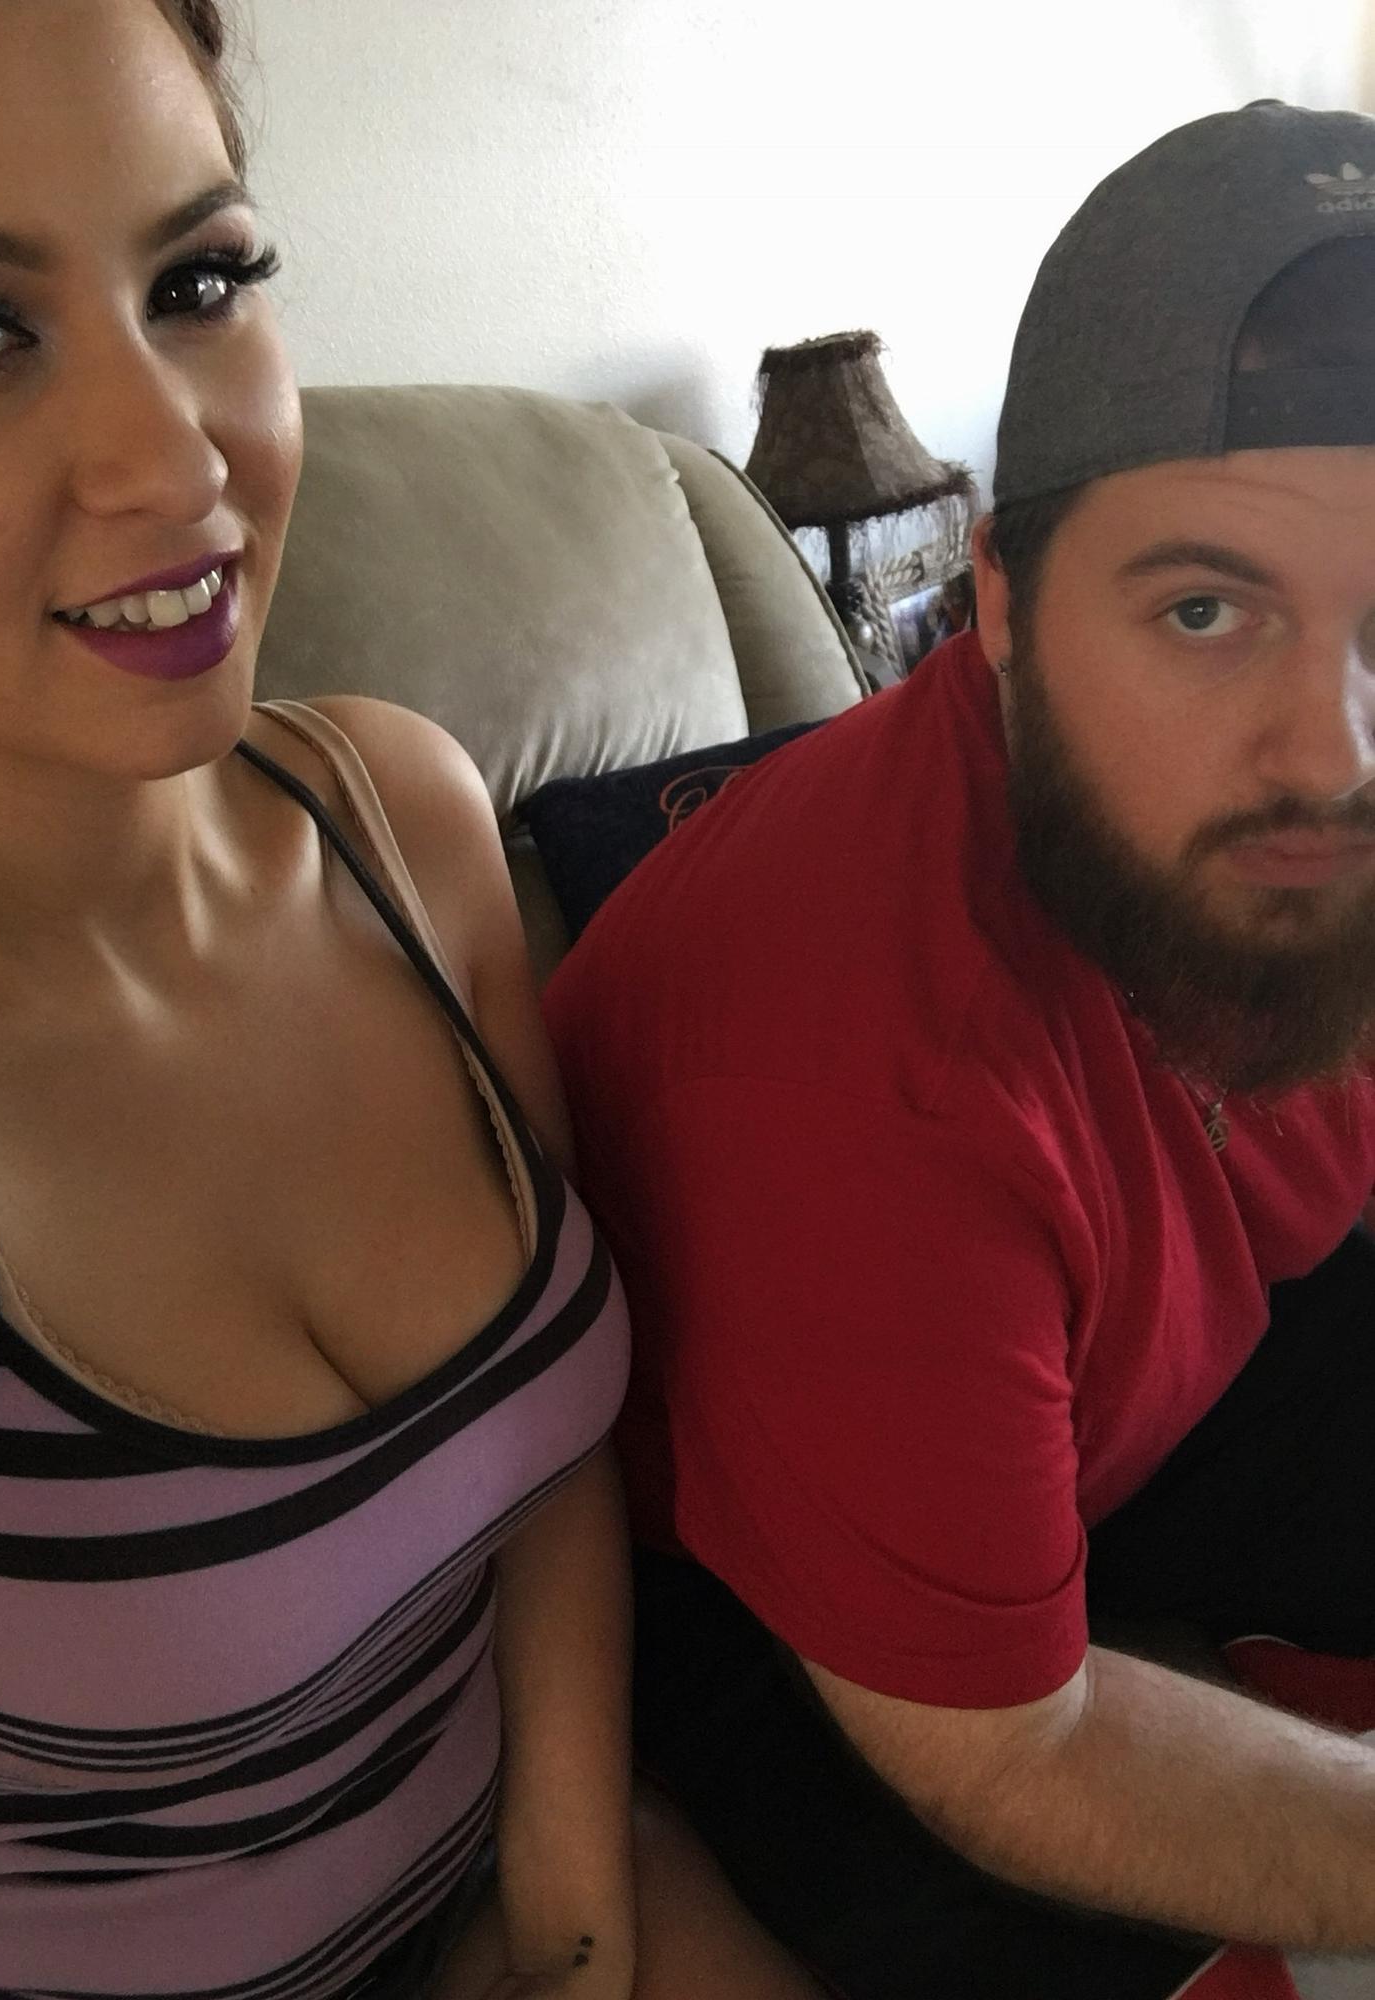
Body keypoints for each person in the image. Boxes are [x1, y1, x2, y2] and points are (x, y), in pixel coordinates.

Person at [0, 5, 827, 1998]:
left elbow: (544, 1461)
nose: (177, 456)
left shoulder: (405, 817)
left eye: (198, 280)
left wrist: (573, 1911)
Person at [545, 100, 1375, 2000]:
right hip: (780, 1594)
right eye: (1204, 609)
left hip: (1139, 1378)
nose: (1331, 755)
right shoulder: (849, 1081)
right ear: (996, 604)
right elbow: (1016, 1754)